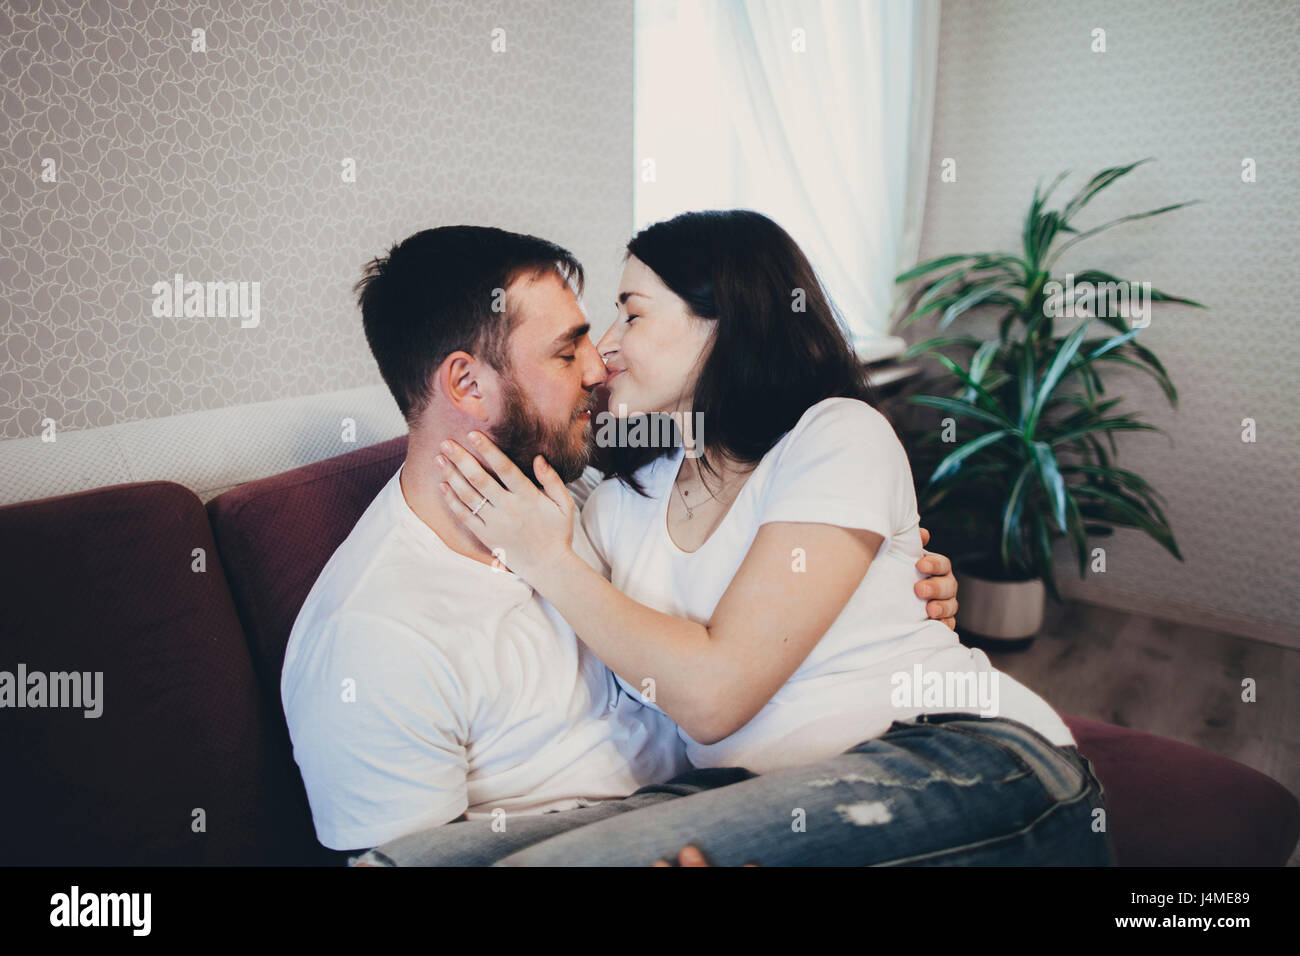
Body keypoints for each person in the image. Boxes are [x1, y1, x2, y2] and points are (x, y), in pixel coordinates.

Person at [431, 210, 1113, 866]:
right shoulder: (619, 503)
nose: (604, 350)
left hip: (955, 756)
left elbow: (714, 695)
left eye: (632, 313)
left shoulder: (837, 436)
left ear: (729, 325)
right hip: (738, 795)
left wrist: (548, 560)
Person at [279, 225, 960, 866]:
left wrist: (881, 585)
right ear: (466, 383)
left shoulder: (579, 500)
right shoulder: (374, 637)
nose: (598, 368)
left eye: (613, 325)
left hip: (738, 801)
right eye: (564, 349)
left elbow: (734, 589)